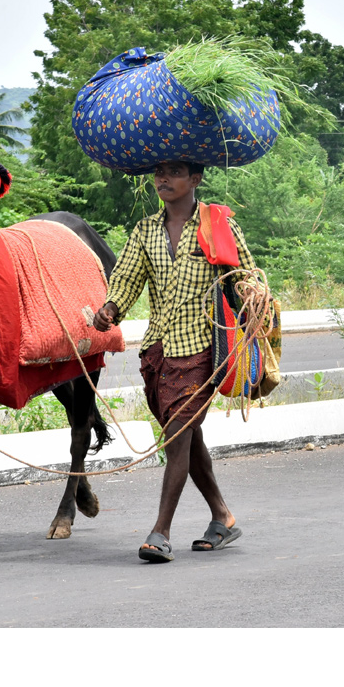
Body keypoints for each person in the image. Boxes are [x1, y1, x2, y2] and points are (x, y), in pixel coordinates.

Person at [94, 161, 256, 562]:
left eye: (175, 172)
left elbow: (245, 276)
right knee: (185, 435)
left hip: (202, 348)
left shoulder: (217, 225)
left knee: (178, 436)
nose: (163, 180)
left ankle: (160, 532)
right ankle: (223, 517)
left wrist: (253, 295)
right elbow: (128, 279)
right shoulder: (145, 230)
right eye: (158, 173)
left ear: (196, 179)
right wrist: (111, 308)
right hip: (157, 352)